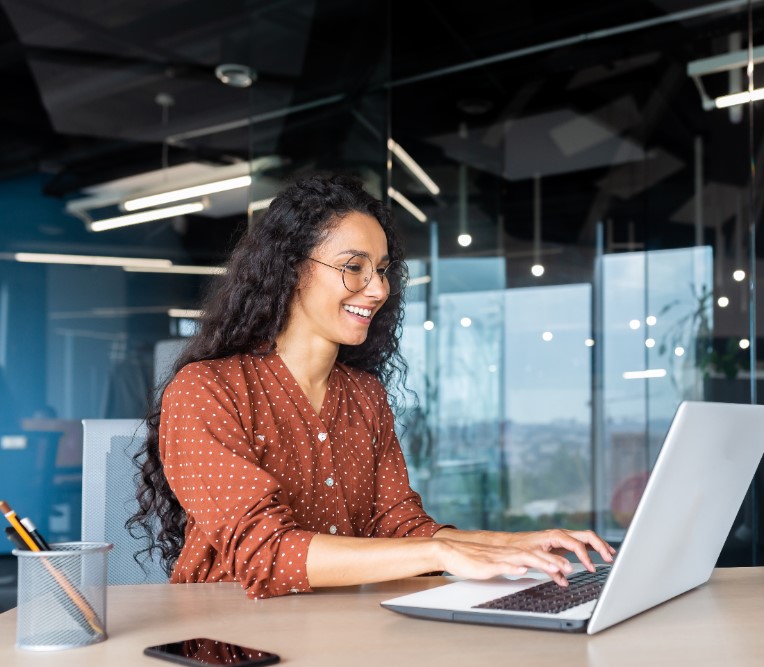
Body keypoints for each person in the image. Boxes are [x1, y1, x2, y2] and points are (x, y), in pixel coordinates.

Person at [129, 173, 615, 599]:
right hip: (229, 638)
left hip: (341, 627)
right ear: (293, 268)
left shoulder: (364, 396)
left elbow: (399, 527)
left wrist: (513, 545)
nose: (379, 288)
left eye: (381, 270)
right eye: (354, 267)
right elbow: (265, 551)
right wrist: (444, 551)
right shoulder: (206, 390)